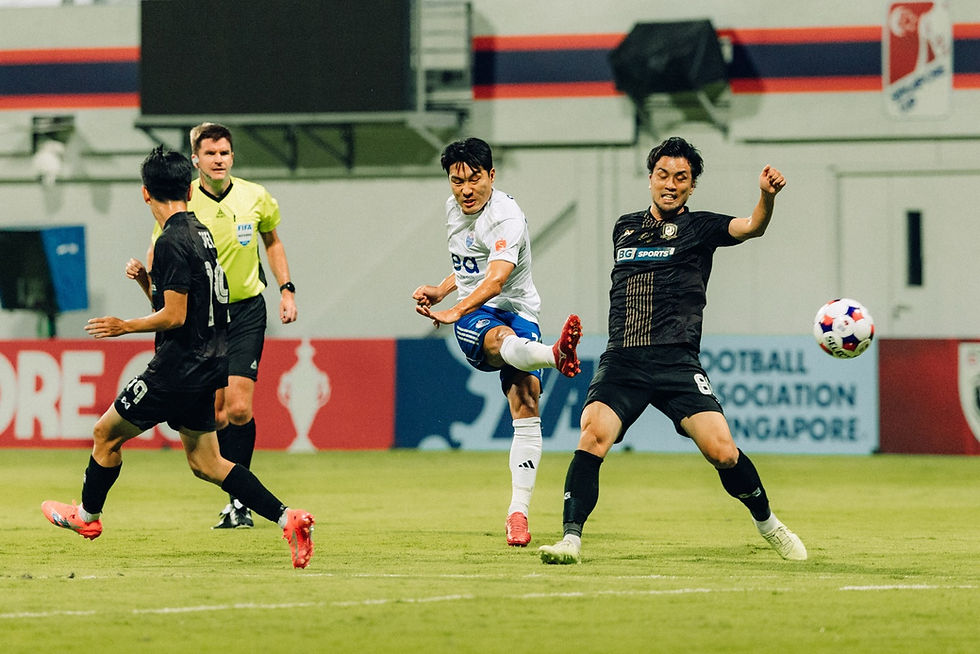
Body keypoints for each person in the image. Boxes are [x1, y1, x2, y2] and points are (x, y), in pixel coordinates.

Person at [41, 146, 314, 569]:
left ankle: (87, 517)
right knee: (208, 463)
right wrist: (148, 282)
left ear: (145, 194)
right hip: (207, 364)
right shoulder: (201, 232)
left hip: (176, 368)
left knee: (104, 434)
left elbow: (175, 314)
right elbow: (188, 300)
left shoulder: (169, 240)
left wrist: (123, 325)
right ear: (189, 187)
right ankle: (287, 517)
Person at [538, 136, 807, 564]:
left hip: (676, 361)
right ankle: (570, 539)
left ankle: (769, 525)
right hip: (623, 358)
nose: (670, 184)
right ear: (650, 179)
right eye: (662, 175)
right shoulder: (623, 227)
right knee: (592, 436)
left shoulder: (701, 227)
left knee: (723, 451)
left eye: (681, 177)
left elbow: (752, 226)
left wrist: (765, 197)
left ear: (691, 186)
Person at [413, 137, 582, 548]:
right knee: (500, 338)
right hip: (482, 316)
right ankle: (553, 356)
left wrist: (455, 309)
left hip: (514, 308)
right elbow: (472, 267)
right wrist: (442, 289)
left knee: (526, 403)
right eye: (456, 181)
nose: (465, 189)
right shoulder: (454, 209)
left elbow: (496, 279)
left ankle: (517, 514)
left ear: (491, 175)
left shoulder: (506, 217)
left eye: (474, 179)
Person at [144, 122, 297, 529]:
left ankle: (239, 504)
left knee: (240, 406)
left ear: (232, 157)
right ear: (195, 160)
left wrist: (286, 289)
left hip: (246, 309)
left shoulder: (255, 197)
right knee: (218, 412)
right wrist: (147, 281)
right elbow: (160, 255)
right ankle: (237, 497)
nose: (218, 160)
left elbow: (273, 242)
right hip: (206, 316)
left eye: (224, 153)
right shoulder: (183, 202)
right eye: (210, 154)